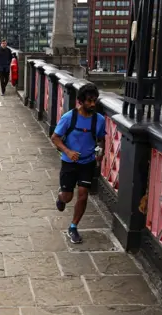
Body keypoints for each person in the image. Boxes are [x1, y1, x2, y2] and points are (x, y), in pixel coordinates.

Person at [51, 83, 106, 244]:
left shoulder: (99, 120)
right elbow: (55, 137)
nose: (92, 104)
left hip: (87, 162)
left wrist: (99, 153)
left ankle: (73, 227)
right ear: (80, 101)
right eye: (89, 101)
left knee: (83, 194)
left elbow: (101, 139)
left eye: (94, 101)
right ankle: (61, 197)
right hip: (69, 162)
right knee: (68, 197)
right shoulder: (69, 117)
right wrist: (68, 151)